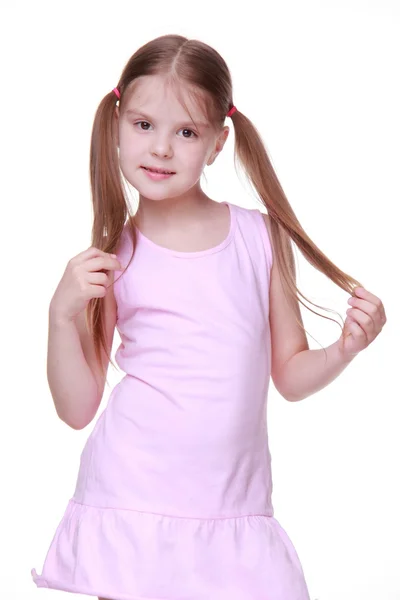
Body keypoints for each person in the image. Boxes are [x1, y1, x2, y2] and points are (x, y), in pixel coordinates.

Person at [31, 34, 386, 600]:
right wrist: (59, 316)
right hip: (132, 499)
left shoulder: (260, 238)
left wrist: (344, 348)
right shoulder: (113, 255)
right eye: (144, 125)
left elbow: (290, 375)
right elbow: (77, 409)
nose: (161, 149)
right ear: (118, 123)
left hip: (231, 507)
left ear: (218, 143)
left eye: (187, 132)